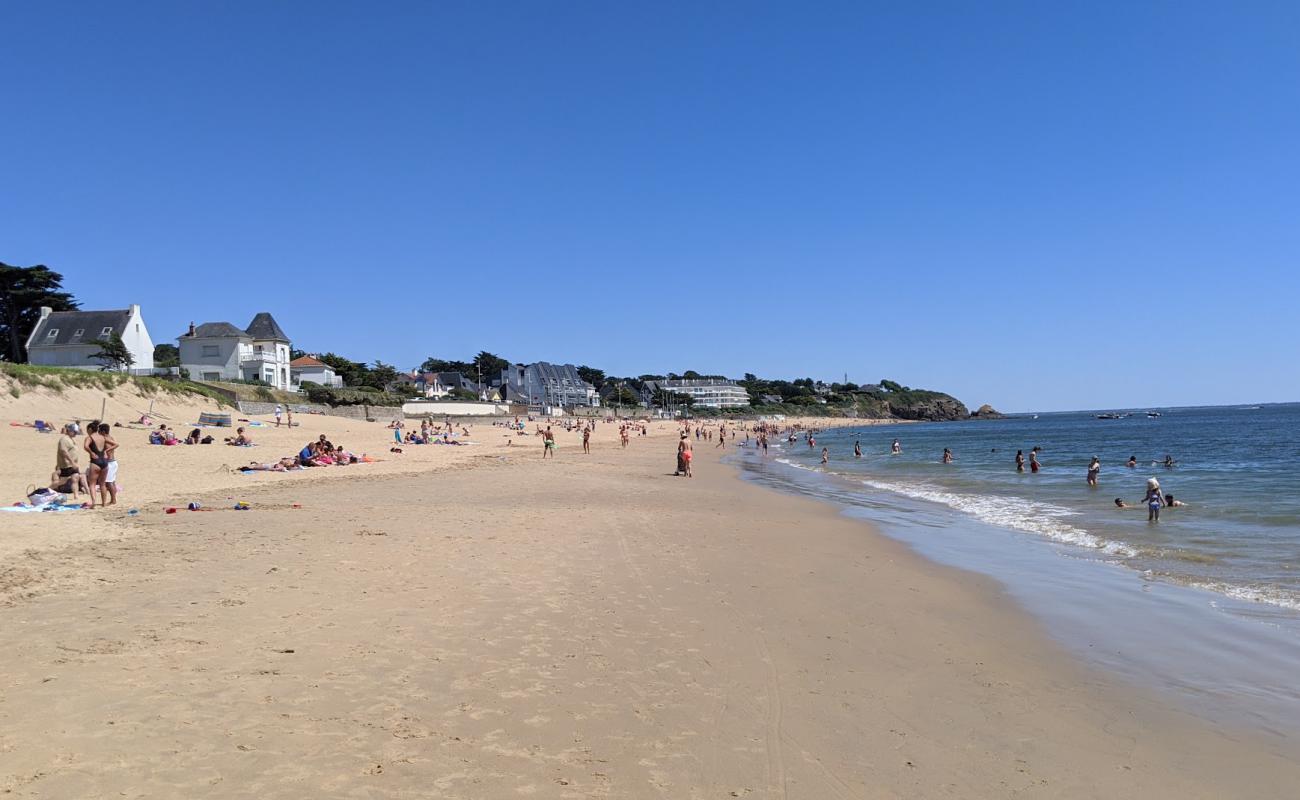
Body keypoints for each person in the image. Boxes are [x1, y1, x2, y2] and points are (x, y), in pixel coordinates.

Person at [54, 423, 83, 503]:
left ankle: (76, 495)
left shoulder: (71, 439)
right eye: (74, 432)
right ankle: (49, 489)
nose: (76, 433)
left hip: (73, 464)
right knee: (63, 481)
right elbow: (64, 452)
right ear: (69, 431)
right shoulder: (64, 439)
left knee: (75, 478)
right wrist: (72, 462)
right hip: (66, 464)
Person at [99, 422, 119, 506]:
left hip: (110, 463)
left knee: (108, 482)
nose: (98, 432)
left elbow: (116, 445)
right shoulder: (110, 437)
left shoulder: (105, 439)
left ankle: (113, 500)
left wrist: (105, 451)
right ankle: (113, 499)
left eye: (99, 431)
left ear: (103, 431)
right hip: (113, 462)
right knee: (112, 482)